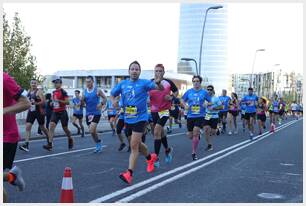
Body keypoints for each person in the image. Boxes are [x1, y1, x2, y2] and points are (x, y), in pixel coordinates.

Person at [110, 61, 160, 185]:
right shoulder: (122, 84)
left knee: (133, 146)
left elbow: (158, 88)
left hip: (141, 118)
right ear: (129, 71)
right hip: (128, 118)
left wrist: (159, 83)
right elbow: (112, 94)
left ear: (139, 71)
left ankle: (129, 174)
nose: (134, 71)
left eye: (137, 69)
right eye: (132, 69)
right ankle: (150, 158)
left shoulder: (144, 83)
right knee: (137, 143)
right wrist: (114, 101)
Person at [3, 72, 30, 202]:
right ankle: (12, 175)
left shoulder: (4, 79)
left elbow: (26, 103)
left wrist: (3, 111)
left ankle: (11, 176)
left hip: (6, 136)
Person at [149, 64, 177, 168]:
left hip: (164, 111)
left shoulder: (168, 82)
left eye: (160, 71)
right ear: (154, 72)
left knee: (156, 131)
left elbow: (176, 92)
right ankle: (167, 149)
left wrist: (171, 97)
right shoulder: (150, 82)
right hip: (154, 111)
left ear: (164, 72)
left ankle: (155, 158)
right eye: (156, 71)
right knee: (160, 133)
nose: (158, 73)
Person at [182, 76, 211, 160]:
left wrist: (207, 104)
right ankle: (197, 136)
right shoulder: (189, 92)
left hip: (200, 116)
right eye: (194, 81)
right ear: (192, 82)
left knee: (195, 132)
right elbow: (182, 100)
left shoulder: (204, 92)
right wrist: (185, 106)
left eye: (197, 81)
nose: (196, 82)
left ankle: (194, 152)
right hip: (190, 116)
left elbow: (210, 101)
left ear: (200, 82)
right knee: (190, 136)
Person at [19, 79, 50, 152]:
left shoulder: (39, 91)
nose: (33, 84)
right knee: (28, 126)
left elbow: (44, 102)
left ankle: (49, 140)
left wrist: (35, 103)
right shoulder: (29, 91)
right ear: (30, 84)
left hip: (39, 112)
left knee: (42, 128)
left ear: (37, 84)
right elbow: (25, 99)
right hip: (31, 111)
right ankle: (26, 145)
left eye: (34, 83)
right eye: (32, 83)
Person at [42, 77, 74, 151]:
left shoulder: (63, 92)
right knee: (51, 126)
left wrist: (58, 100)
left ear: (60, 84)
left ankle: (70, 138)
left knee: (65, 128)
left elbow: (67, 102)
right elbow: (54, 102)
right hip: (55, 112)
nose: (55, 84)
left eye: (57, 83)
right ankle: (50, 144)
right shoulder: (53, 92)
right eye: (54, 83)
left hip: (63, 112)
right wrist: (51, 103)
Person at [81, 75, 107, 153]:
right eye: (86, 82)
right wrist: (82, 101)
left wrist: (101, 104)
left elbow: (105, 98)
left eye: (89, 81)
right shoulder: (84, 91)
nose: (87, 83)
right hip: (88, 114)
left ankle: (98, 143)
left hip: (96, 113)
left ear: (93, 82)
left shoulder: (97, 90)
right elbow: (82, 104)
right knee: (92, 132)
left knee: (92, 130)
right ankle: (98, 142)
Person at [203, 85, 223, 153]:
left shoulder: (216, 98)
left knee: (213, 132)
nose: (209, 91)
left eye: (210, 89)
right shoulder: (204, 98)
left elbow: (221, 107)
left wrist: (214, 108)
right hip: (207, 115)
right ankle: (209, 145)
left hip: (214, 116)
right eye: (208, 89)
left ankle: (218, 129)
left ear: (212, 90)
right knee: (206, 130)